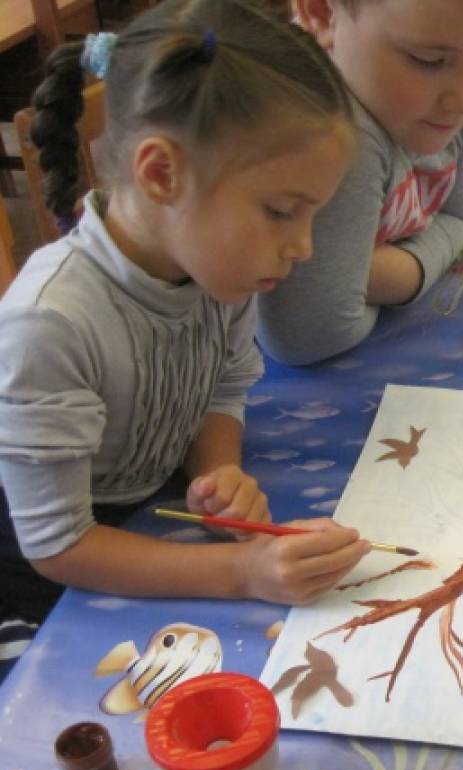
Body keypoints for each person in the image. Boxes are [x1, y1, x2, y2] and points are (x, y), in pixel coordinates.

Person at [0, 0, 370, 678]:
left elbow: (223, 386)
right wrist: (244, 570)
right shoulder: (49, 324)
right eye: (281, 211)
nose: (304, 248)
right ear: (162, 174)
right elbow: (58, 544)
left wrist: (216, 471)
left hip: (145, 513)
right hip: (31, 577)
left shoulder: (215, 268)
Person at [254, 0, 463, 365]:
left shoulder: (456, 98)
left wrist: (376, 275)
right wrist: (358, 280)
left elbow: (454, 219)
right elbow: (310, 335)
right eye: (428, 60)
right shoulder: (334, 135)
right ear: (321, 13)